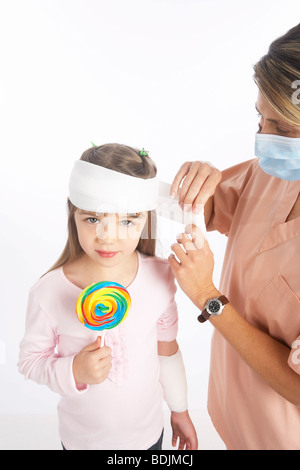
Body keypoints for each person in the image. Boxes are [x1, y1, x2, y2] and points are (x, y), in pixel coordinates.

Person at [168, 24, 300, 450]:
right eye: (259, 117)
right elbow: (206, 207)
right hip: (233, 417)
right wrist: (197, 180)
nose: (264, 139)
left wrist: (208, 296)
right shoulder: (275, 172)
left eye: (281, 127)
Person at [18, 143, 198, 450]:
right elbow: (30, 362)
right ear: (72, 211)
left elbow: (166, 351)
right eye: (91, 219)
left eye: (128, 220)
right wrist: (73, 370)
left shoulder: (160, 276)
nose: (107, 236)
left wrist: (179, 408)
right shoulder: (48, 292)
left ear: (146, 217)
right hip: (81, 441)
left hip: (148, 436)